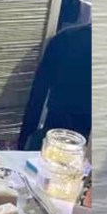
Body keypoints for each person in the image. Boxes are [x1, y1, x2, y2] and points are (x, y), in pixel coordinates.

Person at [17, 22, 92, 151]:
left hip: (59, 129)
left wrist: (23, 143)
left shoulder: (67, 38)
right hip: (65, 129)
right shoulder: (66, 38)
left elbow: (37, 96)